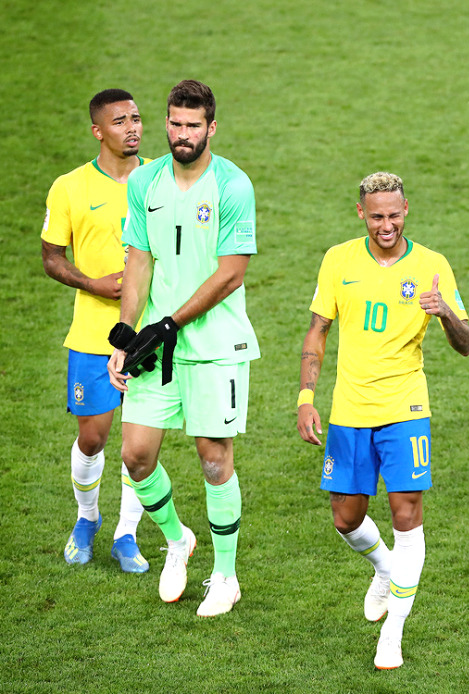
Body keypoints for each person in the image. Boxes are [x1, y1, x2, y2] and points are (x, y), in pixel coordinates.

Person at [297, 172, 469, 669]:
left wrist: (445, 315)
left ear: (406, 209)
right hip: (349, 410)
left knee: (406, 514)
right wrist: (306, 397)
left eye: (395, 215)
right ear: (361, 214)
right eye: (377, 216)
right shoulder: (338, 259)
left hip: (406, 409)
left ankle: (392, 633)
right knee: (346, 518)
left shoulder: (433, 266)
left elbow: (467, 344)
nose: (387, 224)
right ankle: (383, 568)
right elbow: (317, 332)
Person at [107, 79, 260, 617]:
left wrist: (171, 322)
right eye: (175, 123)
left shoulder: (233, 186)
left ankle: (225, 576)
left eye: (193, 126)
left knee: (214, 461)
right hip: (156, 345)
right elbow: (138, 261)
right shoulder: (144, 181)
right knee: (136, 455)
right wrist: (127, 334)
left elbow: (232, 274)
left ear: (211, 128)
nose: (182, 134)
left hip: (217, 345)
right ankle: (177, 540)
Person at [41, 89, 152, 573]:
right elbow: (51, 258)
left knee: (138, 445)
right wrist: (93, 283)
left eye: (136, 118)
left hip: (151, 335)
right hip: (92, 334)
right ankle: (87, 518)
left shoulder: (161, 180)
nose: (132, 128)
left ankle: (127, 535)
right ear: (98, 130)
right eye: (120, 121)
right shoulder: (68, 187)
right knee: (94, 438)